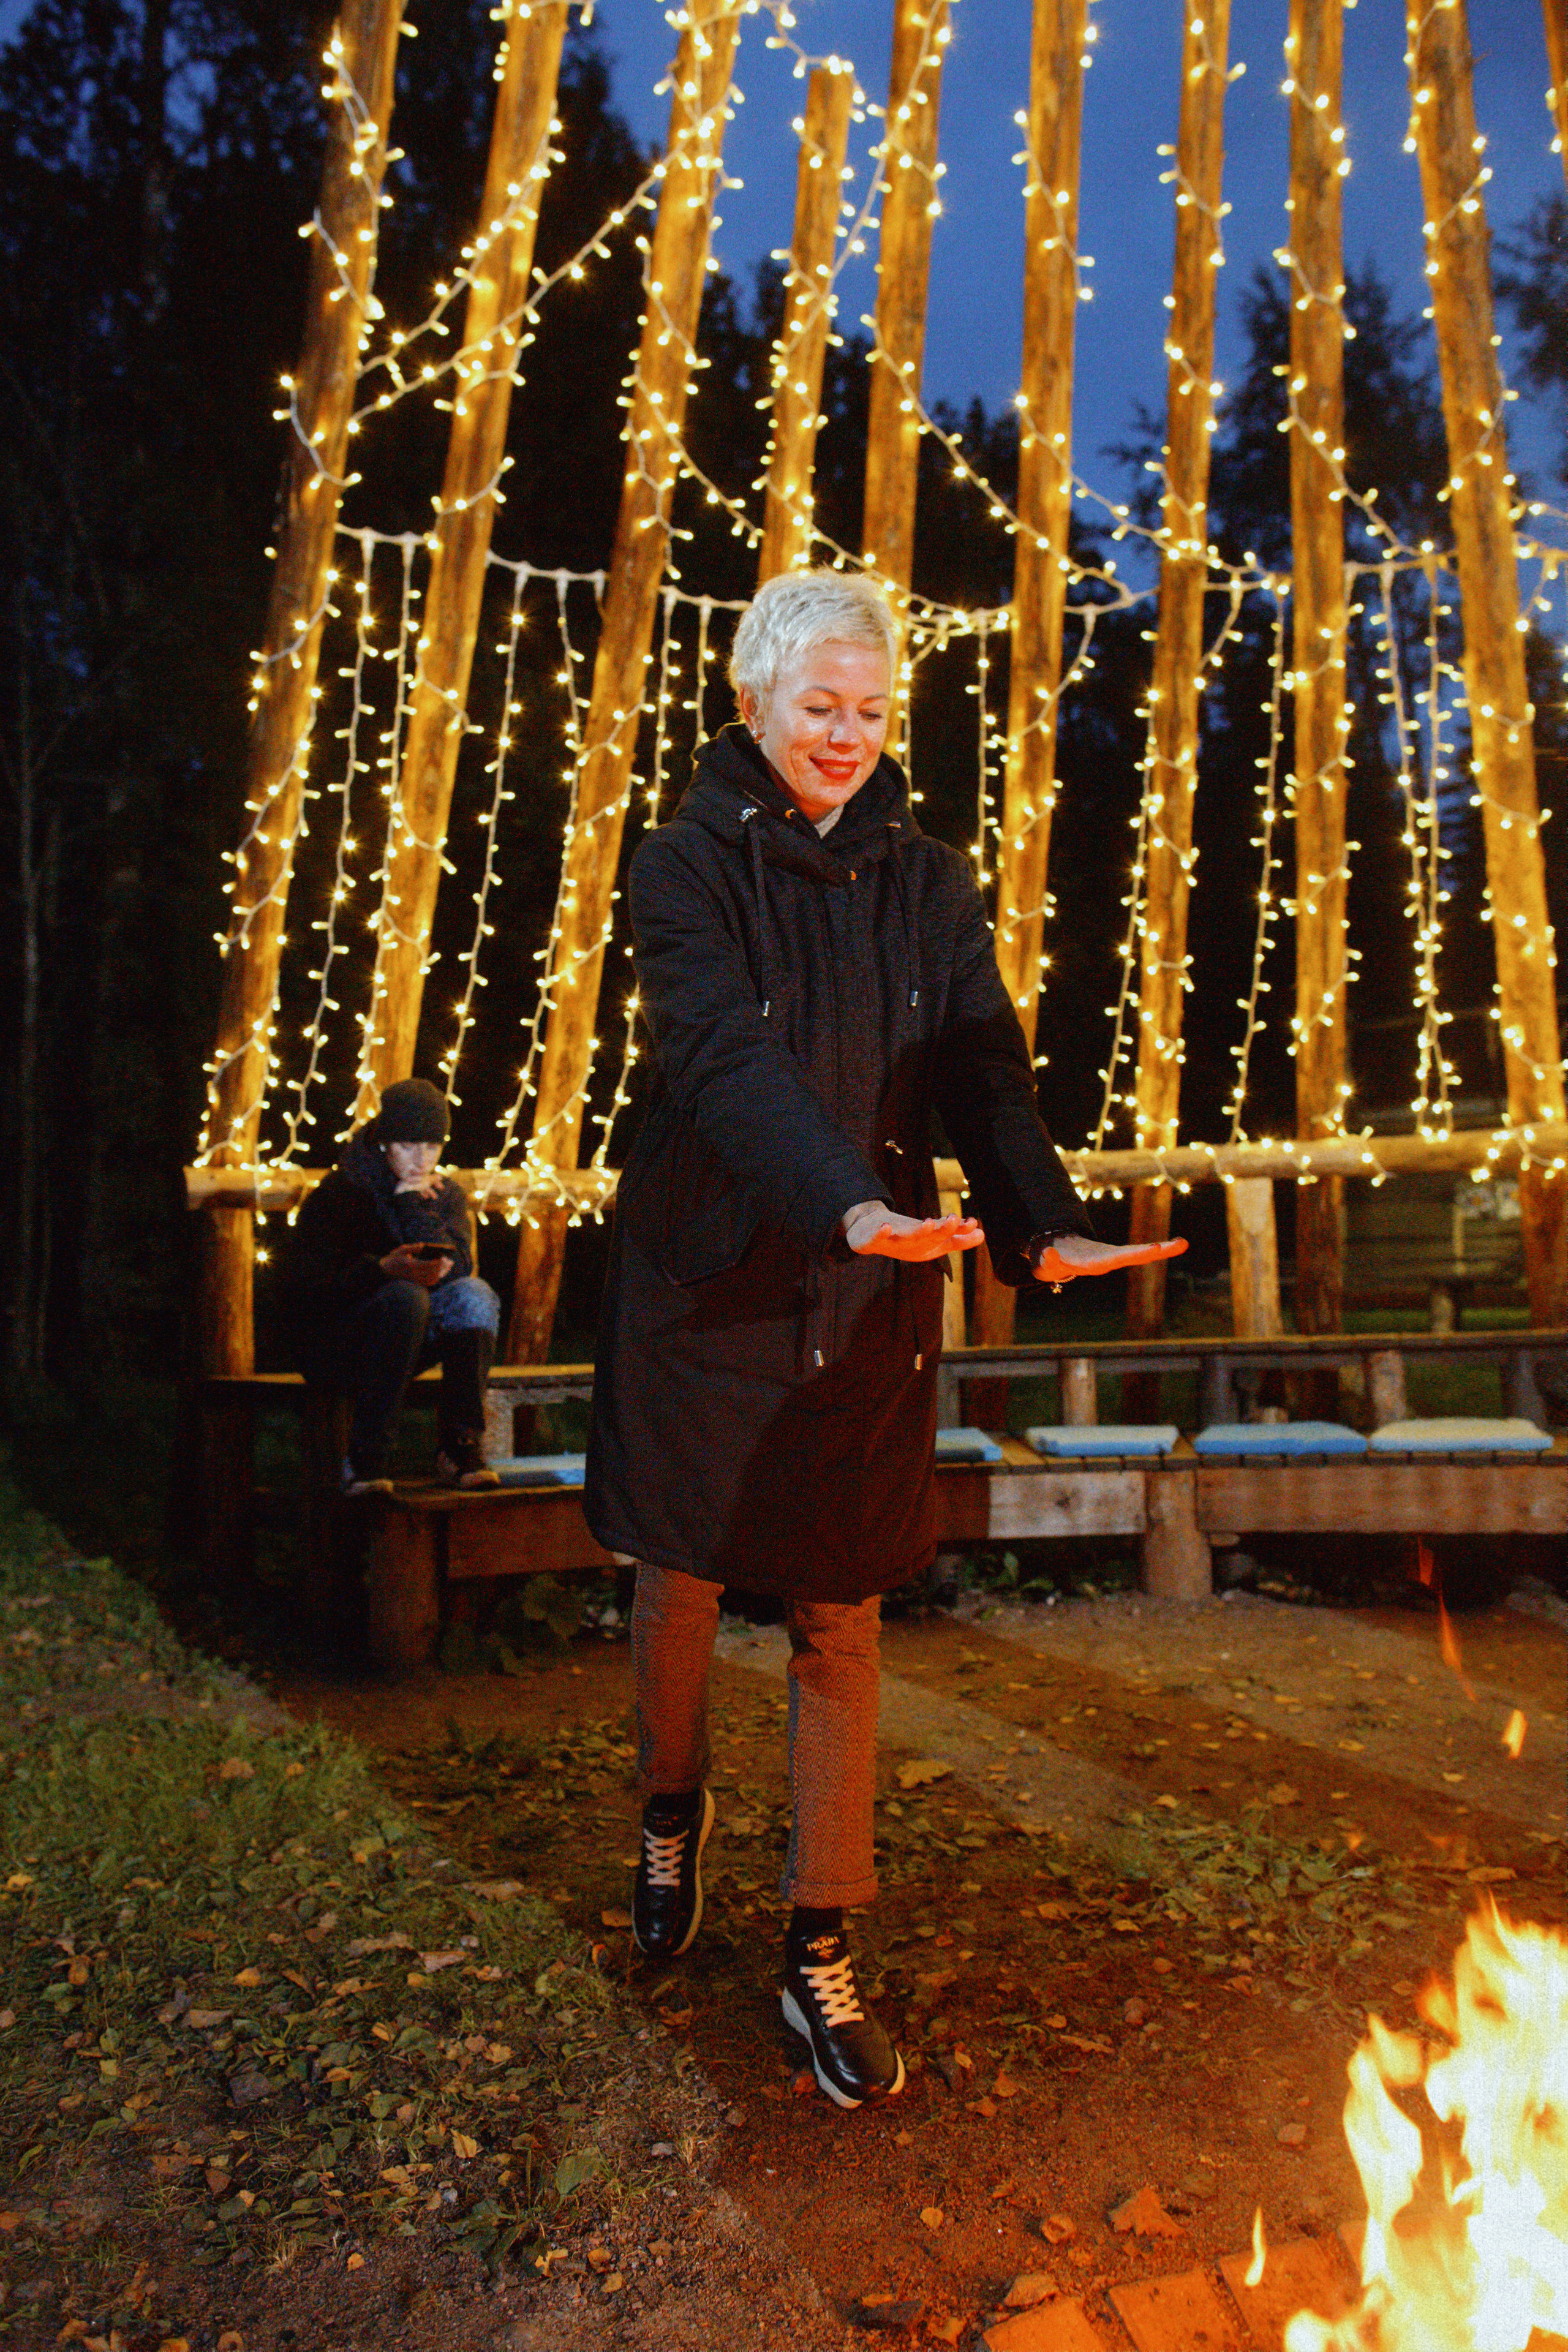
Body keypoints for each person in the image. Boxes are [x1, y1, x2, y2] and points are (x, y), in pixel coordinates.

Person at [583, 568, 1184, 2111]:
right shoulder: (681, 863)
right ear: (752, 703)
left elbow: (980, 1064)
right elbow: (718, 1058)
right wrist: (841, 1199)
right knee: (682, 1572)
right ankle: (667, 1816)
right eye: (817, 706)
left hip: (872, 1283)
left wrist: (1039, 1220)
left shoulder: (926, 877)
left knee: (838, 1607)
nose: (844, 735)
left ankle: (818, 1943)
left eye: (867, 709)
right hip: (713, 1279)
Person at [281, 1077, 502, 1494]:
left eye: (432, 1147)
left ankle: (459, 1449)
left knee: (475, 1295)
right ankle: (367, 1460)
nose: (422, 1160)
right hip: (339, 1340)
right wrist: (382, 1270)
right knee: (406, 1296)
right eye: (408, 1146)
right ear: (384, 1142)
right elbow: (308, 1291)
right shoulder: (342, 1191)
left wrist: (410, 1204)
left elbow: (457, 1269)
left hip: (409, 1339)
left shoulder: (442, 1194)